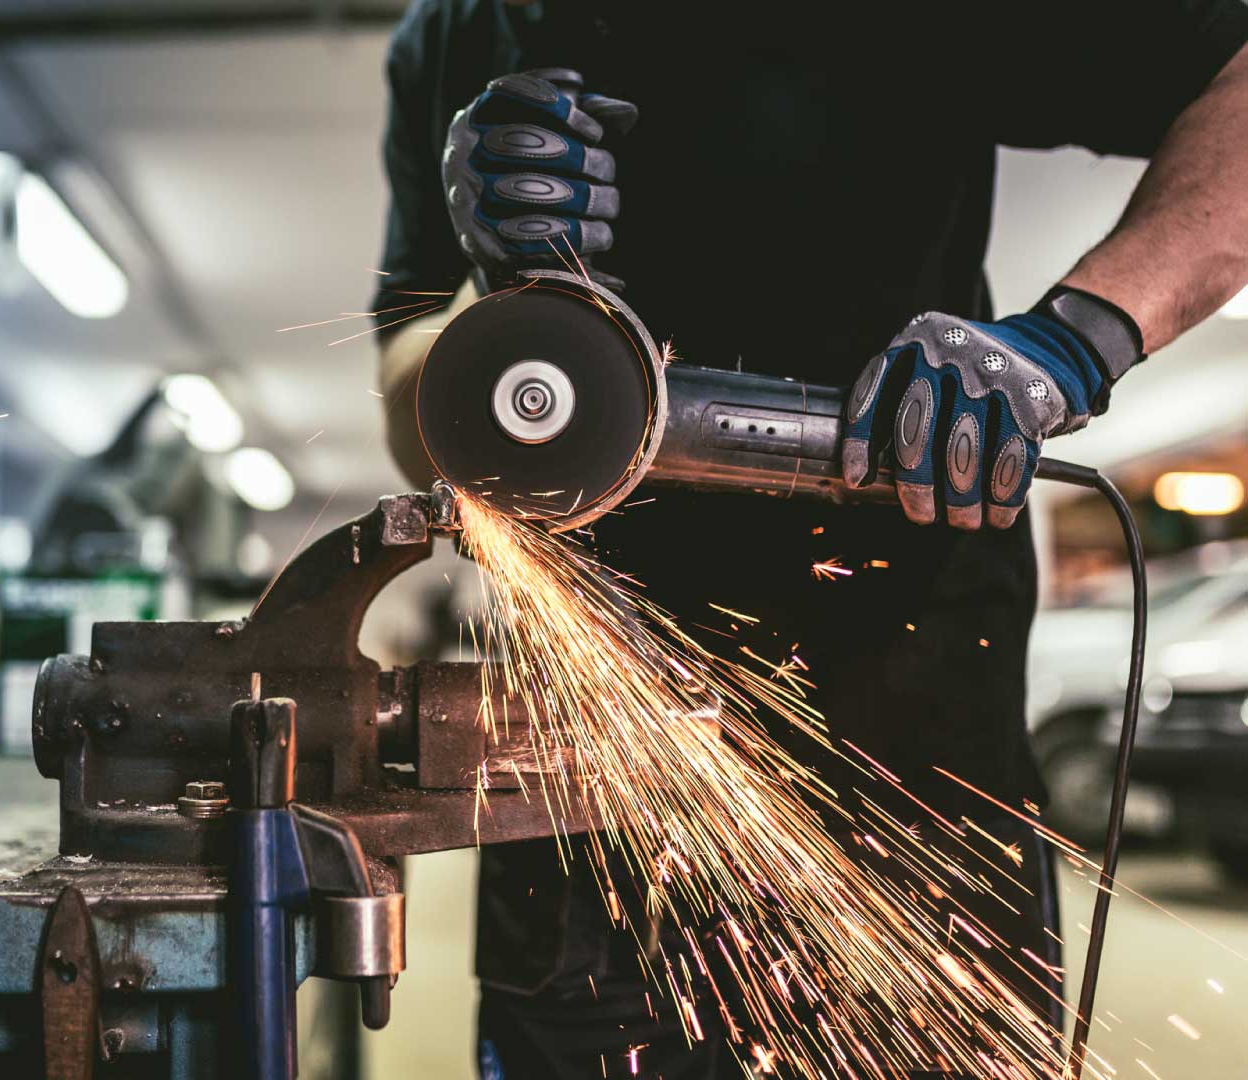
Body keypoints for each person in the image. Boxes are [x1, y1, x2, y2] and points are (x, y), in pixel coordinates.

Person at [372, 4, 1248, 1077]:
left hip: (907, 741)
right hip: (583, 771)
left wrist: (1076, 337)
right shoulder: (448, 39)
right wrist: (488, 303)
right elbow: (405, 408)